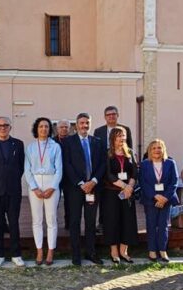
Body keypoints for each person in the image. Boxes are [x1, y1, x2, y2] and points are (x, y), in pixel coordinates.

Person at [63, 113, 105, 266]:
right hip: (75, 188)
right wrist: (81, 183)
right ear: (76, 125)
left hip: (93, 188)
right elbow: (67, 164)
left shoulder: (97, 142)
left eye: (87, 123)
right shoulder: (68, 142)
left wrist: (93, 181)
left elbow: (102, 164)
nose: (84, 125)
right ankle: (76, 254)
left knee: (90, 222)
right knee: (74, 221)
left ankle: (91, 252)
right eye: (81, 123)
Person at [0, 116, 25, 267]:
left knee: (14, 223)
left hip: (13, 190)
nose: (2, 127)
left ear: (10, 127)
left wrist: (11, 179)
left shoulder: (18, 144)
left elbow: (21, 167)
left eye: (5, 125)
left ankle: (16, 254)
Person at [24, 117, 63, 266]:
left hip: (51, 182)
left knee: (51, 219)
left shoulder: (55, 146)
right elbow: (26, 170)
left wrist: (52, 187)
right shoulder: (31, 147)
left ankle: (51, 250)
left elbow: (59, 169)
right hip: (34, 184)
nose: (44, 129)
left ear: (49, 129)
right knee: (37, 220)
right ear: (36, 128)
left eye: (46, 127)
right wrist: (34, 187)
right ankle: (39, 249)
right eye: (41, 126)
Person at [102, 127, 138, 264]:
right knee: (113, 220)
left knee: (127, 220)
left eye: (123, 135)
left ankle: (124, 250)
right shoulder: (107, 154)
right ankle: (114, 251)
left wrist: (130, 187)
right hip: (112, 193)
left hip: (128, 193)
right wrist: (124, 186)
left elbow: (135, 172)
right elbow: (108, 174)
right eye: (119, 136)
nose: (122, 138)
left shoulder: (130, 153)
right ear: (112, 138)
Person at [139, 139, 179, 262]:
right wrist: (155, 196)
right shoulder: (145, 164)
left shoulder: (170, 163)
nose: (157, 150)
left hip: (166, 200)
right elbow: (143, 182)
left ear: (163, 150)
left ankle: (162, 250)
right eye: (154, 148)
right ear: (150, 151)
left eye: (159, 148)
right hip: (150, 199)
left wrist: (165, 197)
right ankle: (152, 250)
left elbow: (174, 182)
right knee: (151, 225)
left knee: (163, 226)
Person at [55, 120, 72, 229]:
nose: (64, 129)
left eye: (66, 127)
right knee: (54, 201)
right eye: (61, 127)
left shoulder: (73, 141)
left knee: (69, 201)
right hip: (56, 176)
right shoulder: (51, 141)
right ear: (57, 129)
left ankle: (68, 223)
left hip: (70, 176)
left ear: (69, 128)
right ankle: (53, 223)